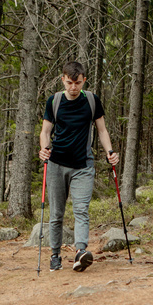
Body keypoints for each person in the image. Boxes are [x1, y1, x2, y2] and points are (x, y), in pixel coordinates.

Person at [38, 61, 119, 272]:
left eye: (78, 83)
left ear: (84, 80)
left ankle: (80, 252)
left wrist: (110, 152)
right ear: (63, 79)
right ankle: (55, 255)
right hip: (56, 164)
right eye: (70, 82)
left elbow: (102, 130)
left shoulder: (92, 101)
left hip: (83, 164)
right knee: (56, 213)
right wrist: (44, 149)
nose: (73, 87)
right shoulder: (54, 101)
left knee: (81, 210)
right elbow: (45, 132)